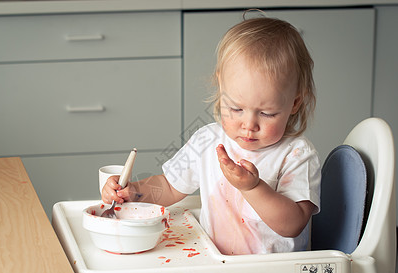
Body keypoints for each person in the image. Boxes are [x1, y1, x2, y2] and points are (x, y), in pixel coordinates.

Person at [102, 14, 321, 255]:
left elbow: (293, 224)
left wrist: (253, 187)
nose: (248, 124)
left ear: (294, 103)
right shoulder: (207, 140)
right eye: (236, 109)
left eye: (267, 113)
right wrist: (133, 192)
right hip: (214, 268)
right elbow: (168, 186)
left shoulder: (297, 154)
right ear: (221, 88)